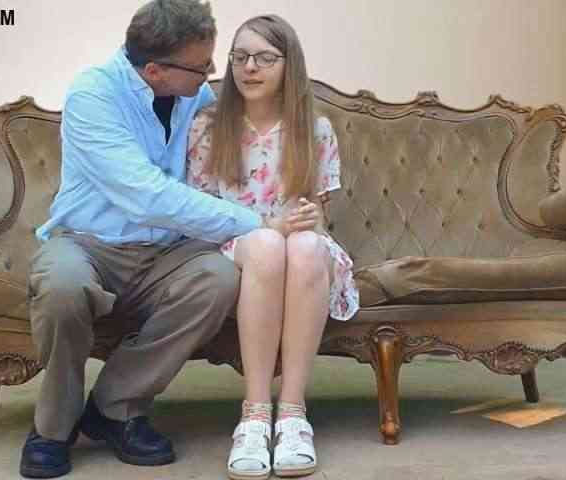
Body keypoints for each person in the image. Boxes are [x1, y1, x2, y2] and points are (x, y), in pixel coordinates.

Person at [19, 2, 318, 478]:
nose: (212, 73)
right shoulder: (94, 94)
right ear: (155, 71)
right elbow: (146, 196)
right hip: (88, 243)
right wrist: (259, 223)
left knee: (219, 279)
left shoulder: (192, 97)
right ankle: (52, 429)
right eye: (201, 67)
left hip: (166, 252)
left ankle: (114, 407)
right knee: (61, 288)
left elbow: (247, 135)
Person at [186, 14, 360, 479]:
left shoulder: (315, 129)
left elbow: (320, 215)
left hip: (300, 247)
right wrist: (269, 226)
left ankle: (293, 415)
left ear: (289, 65)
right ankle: (255, 415)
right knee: (265, 244)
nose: (250, 67)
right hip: (236, 245)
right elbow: (200, 214)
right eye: (240, 57)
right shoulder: (207, 127)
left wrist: (305, 222)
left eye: (265, 58)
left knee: (304, 247)